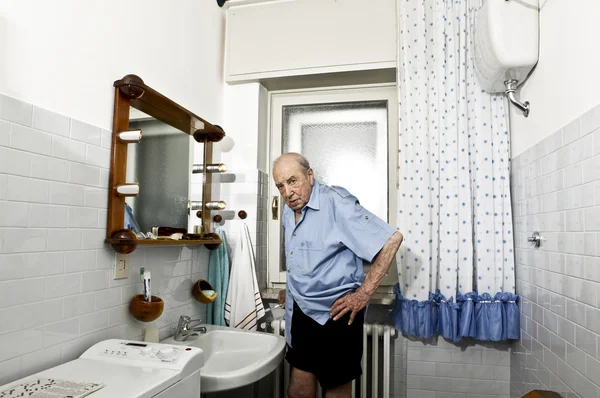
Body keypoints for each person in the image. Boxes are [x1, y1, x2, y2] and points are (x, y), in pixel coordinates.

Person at [272, 152, 403, 398]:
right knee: (298, 391)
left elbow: (391, 240)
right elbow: (304, 256)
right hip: (301, 312)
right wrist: (290, 290)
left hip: (338, 315)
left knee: (336, 391)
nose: (287, 192)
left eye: (293, 181)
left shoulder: (337, 203)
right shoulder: (290, 211)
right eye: (280, 185)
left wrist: (363, 294)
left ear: (310, 176)